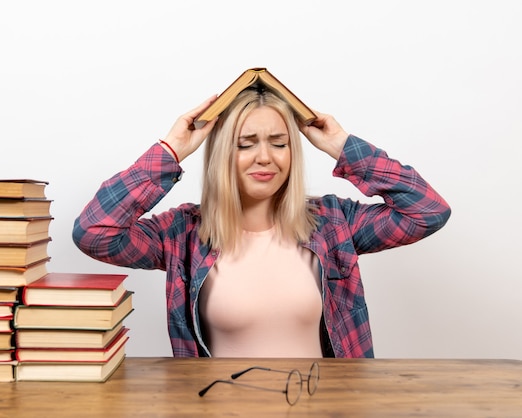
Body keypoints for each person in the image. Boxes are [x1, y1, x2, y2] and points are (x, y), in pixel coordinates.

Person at [72, 87, 451, 358]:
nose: (265, 157)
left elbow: (427, 211)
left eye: (279, 142)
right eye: (246, 143)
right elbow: (94, 232)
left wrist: (342, 145)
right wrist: (170, 151)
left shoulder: (334, 223)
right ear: (223, 153)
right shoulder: (182, 233)